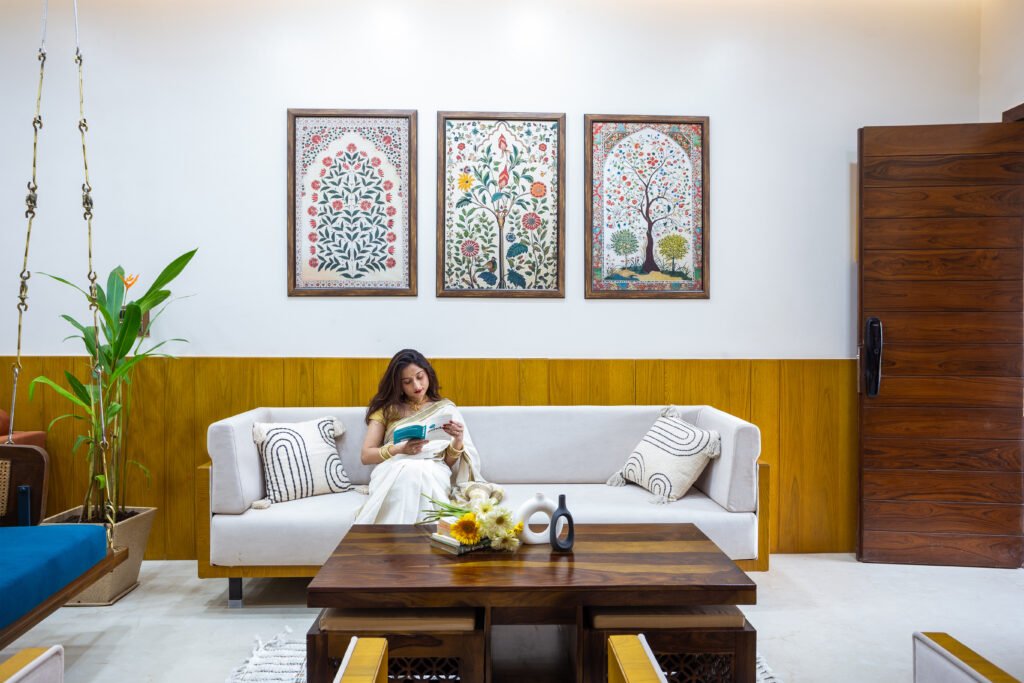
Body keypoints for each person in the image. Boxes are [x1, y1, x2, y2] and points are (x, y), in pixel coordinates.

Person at [353, 349, 484, 524]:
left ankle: (416, 537)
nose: (416, 386)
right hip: (394, 467)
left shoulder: (445, 409)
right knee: (410, 472)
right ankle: (401, 536)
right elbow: (366, 455)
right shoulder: (386, 411)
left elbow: (445, 462)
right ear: (398, 385)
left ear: (428, 373)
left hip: (433, 469)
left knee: (421, 472)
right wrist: (400, 449)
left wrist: (458, 440)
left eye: (420, 377)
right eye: (407, 382)